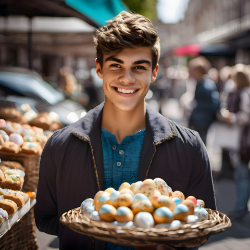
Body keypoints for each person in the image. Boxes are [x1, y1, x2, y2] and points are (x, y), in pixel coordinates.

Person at [35, 11, 216, 250]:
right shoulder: (59, 145)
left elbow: (203, 225)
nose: (126, 78)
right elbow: (45, 219)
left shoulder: (189, 146)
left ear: (154, 72)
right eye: (115, 65)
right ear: (99, 69)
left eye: (138, 67)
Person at [218, 64, 250, 220]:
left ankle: (240, 209)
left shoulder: (245, 93)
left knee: (242, 176)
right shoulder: (240, 92)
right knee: (242, 175)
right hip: (242, 141)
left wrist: (231, 118)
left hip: (245, 142)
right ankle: (240, 207)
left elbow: (246, 117)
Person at [188, 57, 219, 145]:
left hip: (202, 122)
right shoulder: (200, 83)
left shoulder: (206, 85)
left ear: (197, 71)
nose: (189, 72)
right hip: (199, 121)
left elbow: (213, 105)